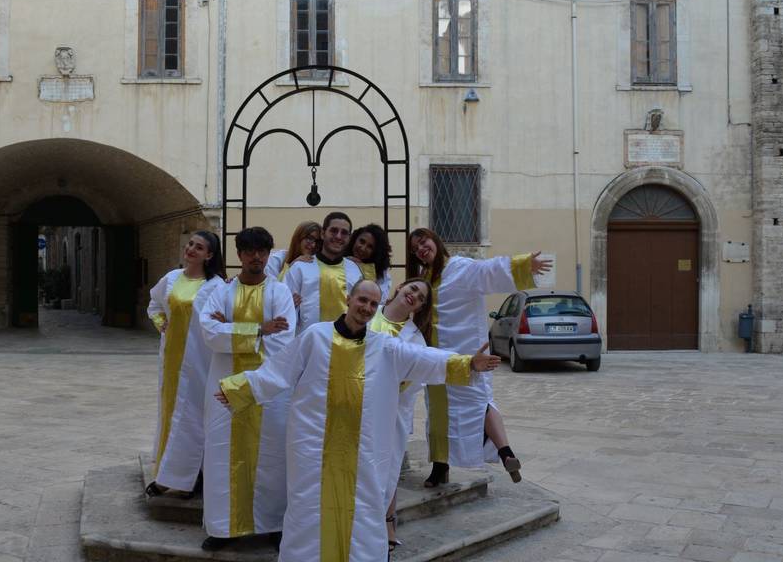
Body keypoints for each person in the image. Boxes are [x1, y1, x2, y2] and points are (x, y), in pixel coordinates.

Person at [215, 280, 501, 562]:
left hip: (363, 452)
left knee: (363, 510)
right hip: (314, 449)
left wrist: (467, 363)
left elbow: (425, 359)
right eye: (362, 300)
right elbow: (279, 370)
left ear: (377, 308)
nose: (366, 307)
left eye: (372, 303)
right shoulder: (315, 336)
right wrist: (240, 389)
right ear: (348, 300)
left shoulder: (386, 347)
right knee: (308, 509)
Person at [406, 227, 552, 487]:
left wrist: (522, 265)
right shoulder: (424, 278)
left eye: (423, 240)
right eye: (415, 247)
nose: (421, 248)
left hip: (466, 351)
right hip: (436, 357)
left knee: (477, 401)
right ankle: (443, 466)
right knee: (439, 413)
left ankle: (503, 451)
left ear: (435, 241)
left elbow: (489, 271)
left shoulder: (461, 267)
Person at [198, 227, 297, 551]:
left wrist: (233, 329)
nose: (256, 257)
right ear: (239, 254)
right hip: (224, 390)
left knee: (272, 456)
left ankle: (273, 525)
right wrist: (258, 330)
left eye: (262, 251)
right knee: (221, 455)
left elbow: (283, 339)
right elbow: (208, 331)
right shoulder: (223, 292)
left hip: (269, 389)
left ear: (269, 255)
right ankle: (222, 528)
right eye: (250, 251)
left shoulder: (279, 292)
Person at [145, 231, 225, 494]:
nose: (191, 249)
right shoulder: (170, 279)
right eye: (190, 244)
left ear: (209, 255)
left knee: (191, 417)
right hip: (171, 361)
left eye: (199, 247)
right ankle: (167, 474)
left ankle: (188, 478)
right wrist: (160, 322)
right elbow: (154, 304)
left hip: (200, 363)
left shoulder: (216, 287)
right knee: (170, 413)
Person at [368, 278, 433, 553]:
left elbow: (412, 381)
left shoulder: (415, 339)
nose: (414, 296)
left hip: (391, 412)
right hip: (353, 405)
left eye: (419, 297)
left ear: (418, 307)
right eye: (412, 289)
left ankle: (384, 524)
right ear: (399, 288)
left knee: (388, 468)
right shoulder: (369, 314)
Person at [284, 211, 363, 334]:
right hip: (308, 344)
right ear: (322, 233)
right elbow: (286, 311)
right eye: (333, 230)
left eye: (344, 233)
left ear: (349, 237)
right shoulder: (300, 268)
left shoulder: (354, 271)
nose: (338, 236)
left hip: (345, 345)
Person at [346, 223, 392, 302]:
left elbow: (378, 300)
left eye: (370, 247)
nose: (363, 248)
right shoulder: (339, 258)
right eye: (362, 241)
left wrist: (365, 269)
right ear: (355, 239)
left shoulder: (382, 276)